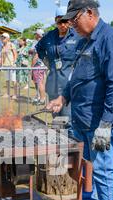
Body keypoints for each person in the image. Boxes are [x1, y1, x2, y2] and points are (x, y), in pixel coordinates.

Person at [47, 0, 113, 200]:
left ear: (89, 13)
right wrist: (62, 98)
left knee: (102, 169)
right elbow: (77, 78)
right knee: (84, 167)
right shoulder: (84, 41)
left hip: (100, 121)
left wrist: (106, 124)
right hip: (82, 118)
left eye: (74, 19)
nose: (71, 25)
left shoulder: (110, 39)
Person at [36, 6, 79, 136]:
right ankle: (59, 146)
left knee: (67, 118)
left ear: (70, 21)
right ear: (55, 21)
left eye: (65, 21)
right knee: (56, 119)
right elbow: (39, 48)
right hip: (53, 84)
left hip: (68, 85)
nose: (62, 25)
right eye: (59, 22)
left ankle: (71, 149)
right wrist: (48, 63)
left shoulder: (77, 36)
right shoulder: (49, 36)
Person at [30, 29, 46, 105]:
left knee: (40, 83)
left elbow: (36, 56)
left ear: (38, 35)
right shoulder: (43, 42)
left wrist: (32, 67)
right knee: (39, 82)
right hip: (41, 65)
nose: (35, 35)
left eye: (36, 34)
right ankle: (39, 97)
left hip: (38, 65)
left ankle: (42, 99)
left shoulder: (38, 43)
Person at [1, 33, 17, 99]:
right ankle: (8, 93)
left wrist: (13, 62)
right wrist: (1, 63)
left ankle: (15, 94)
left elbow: (15, 54)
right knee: (7, 80)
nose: (2, 39)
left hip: (11, 65)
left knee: (13, 80)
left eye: (4, 37)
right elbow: (3, 56)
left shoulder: (11, 44)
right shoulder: (3, 46)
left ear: (8, 38)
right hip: (5, 65)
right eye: (2, 37)